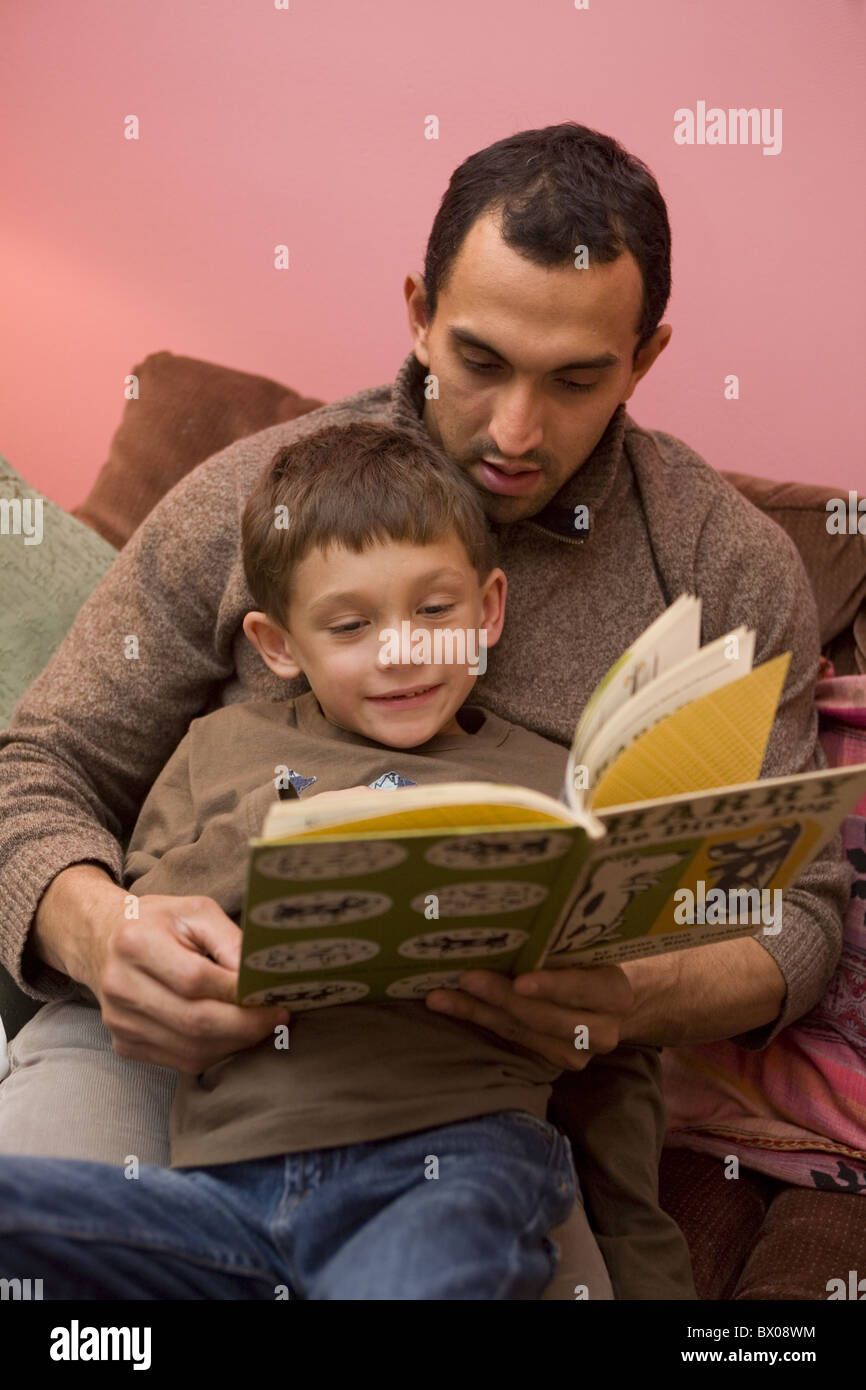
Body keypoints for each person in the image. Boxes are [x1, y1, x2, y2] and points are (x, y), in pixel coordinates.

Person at [0, 121, 850, 1300]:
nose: (513, 432)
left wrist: (628, 1002)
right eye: (480, 359)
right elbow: (37, 764)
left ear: (645, 357)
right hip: (170, 1056)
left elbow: (794, 908)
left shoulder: (726, 568)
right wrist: (100, 933)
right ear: (416, 309)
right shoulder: (253, 500)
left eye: (573, 380)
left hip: (475, 1099)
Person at [0, 419, 688, 1298]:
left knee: (411, 1278)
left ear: (488, 611)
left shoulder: (554, 783)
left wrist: (654, 1273)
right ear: (279, 645)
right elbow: (155, 908)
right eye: (352, 624)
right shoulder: (223, 750)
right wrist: (285, 826)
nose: (401, 651)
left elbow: (617, 1055)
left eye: (435, 611)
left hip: (456, 1161)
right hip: (229, 1186)